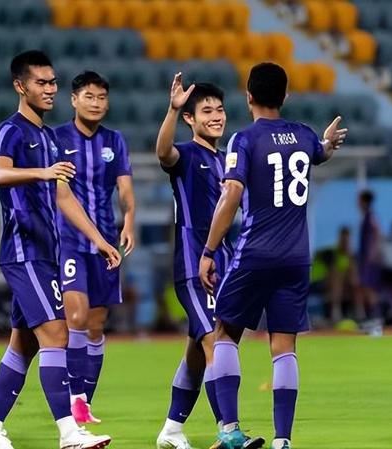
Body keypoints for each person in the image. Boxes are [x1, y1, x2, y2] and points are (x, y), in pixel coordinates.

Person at [0, 50, 120, 449]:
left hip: (47, 253)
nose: (50, 88)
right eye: (41, 82)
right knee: (57, 333)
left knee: (23, 345)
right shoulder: (11, 130)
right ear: (20, 86)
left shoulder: (50, 137)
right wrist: (43, 172)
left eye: (53, 81)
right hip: (24, 251)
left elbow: (64, 196)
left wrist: (99, 240)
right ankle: (69, 432)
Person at [199, 62, 347, 449]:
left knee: (224, 333)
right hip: (296, 257)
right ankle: (283, 440)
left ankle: (230, 430)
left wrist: (209, 250)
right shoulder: (303, 135)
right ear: (286, 96)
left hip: (255, 253)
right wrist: (328, 144)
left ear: (248, 95)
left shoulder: (244, 140)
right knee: (284, 347)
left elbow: (231, 195)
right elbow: (319, 153)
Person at [154, 74, 234, 449]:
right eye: (207, 111)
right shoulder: (186, 156)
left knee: (197, 352)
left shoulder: (228, 159)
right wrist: (171, 110)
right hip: (192, 265)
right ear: (190, 118)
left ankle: (172, 429)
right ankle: (228, 429)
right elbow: (163, 152)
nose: (216, 116)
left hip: (223, 264)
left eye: (219, 109)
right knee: (215, 343)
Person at [53, 71, 135, 423]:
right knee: (76, 318)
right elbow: (58, 194)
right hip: (70, 241)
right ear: (74, 100)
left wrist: (128, 219)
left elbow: (125, 190)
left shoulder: (115, 141)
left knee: (97, 326)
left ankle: (84, 402)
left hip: (106, 245)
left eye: (102, 97)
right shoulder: (57, 139)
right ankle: (75, 401)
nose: (96, 103)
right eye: (89, 96)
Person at [356, 190, 383, 326]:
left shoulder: (370, 216)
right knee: (363, 287)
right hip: (364, 257)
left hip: (368, 258)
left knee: (369, 287)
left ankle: (376, 316)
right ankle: (371, 316)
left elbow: (377, 233)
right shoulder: (366, 216)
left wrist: (373, 253)